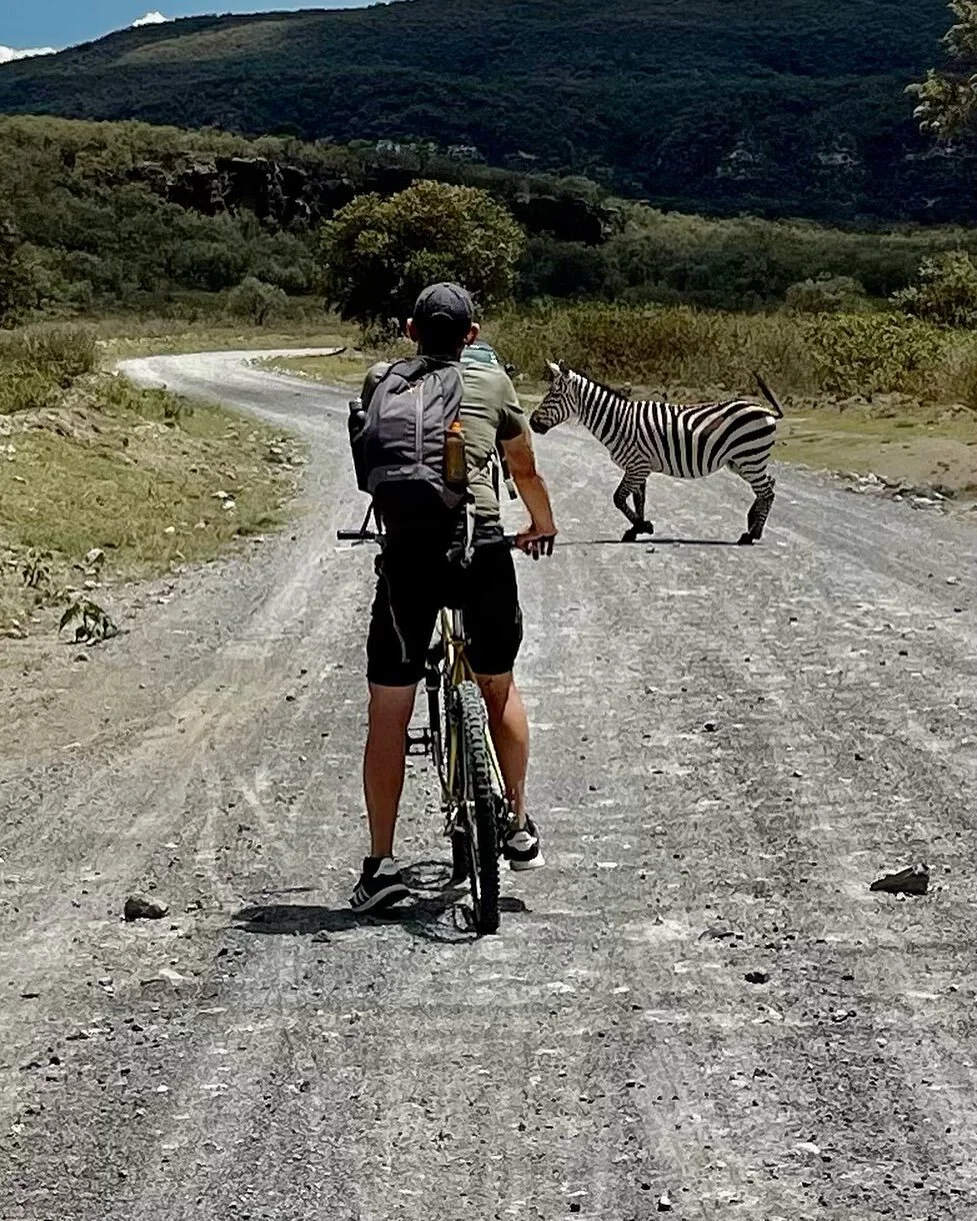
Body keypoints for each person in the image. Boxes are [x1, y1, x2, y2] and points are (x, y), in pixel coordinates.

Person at [351, 282, 558, 912]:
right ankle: (518, 826)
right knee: (498, 685)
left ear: (412, 330)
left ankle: (381, 866)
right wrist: (542, 526)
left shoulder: (380, 379)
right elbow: (522, 469)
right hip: (483, 546)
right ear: (472, 336)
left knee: (389, 708)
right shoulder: (492, 383)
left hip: (411, 552)